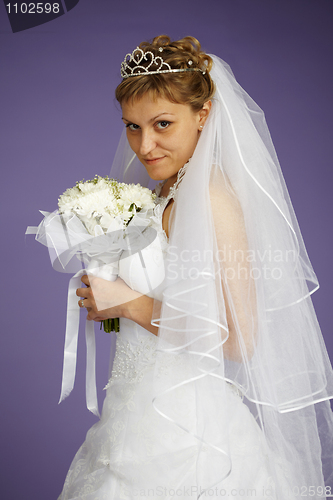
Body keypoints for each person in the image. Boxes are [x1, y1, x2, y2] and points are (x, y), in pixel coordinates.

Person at [58, 36, 333, 499]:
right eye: (132, 126)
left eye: (162, 124)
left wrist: (129, 302)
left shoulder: (211, 197)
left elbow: (240, 338)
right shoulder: (163, 193)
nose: (145, 145)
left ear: (202, 114)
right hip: (132, 412)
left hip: (188, 431)